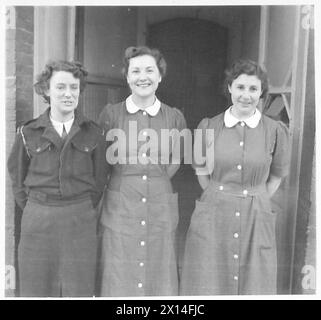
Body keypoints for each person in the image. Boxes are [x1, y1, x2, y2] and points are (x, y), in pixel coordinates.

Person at [180, 59, 290, 295]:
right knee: (209, 280)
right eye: (240, 87)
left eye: (253, 89)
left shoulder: (274, 130)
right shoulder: (208, 126)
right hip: (214, 213)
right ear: (229, 88)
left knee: (254, 282)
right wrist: (221, 193)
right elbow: (201, 172)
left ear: (261, 93)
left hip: (256, 214)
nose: (246, 95)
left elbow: (276, 177)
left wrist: (254, 194)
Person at [7, 60, 108, 297]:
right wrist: (40, 206)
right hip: (38, 221)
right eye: (60, 87)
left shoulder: (94, 132)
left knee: (79, 289)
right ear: (46, 90)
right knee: (36, 289)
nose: (68, 93)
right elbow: (18, 180)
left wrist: (78, 207)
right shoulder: (27, 132)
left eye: (74, 87)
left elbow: (99, 180)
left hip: (79, 221)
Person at [97, 46, 187, 296]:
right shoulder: (111, 114)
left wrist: (153, 181)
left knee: (159, 268)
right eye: (135, 71)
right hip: (120, 204)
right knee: (118, 269)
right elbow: (102, 162)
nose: (142, 76)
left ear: (160, 76)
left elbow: (175, 161)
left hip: (160, 203)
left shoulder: (175, 117)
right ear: (127, 77)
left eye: (150, 70)